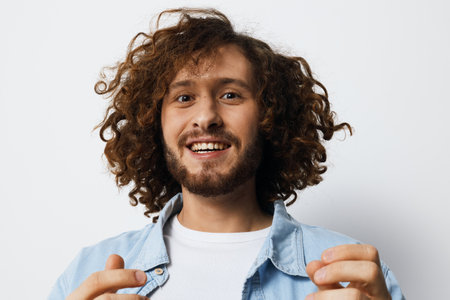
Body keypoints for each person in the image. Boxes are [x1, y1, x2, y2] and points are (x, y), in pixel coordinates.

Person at [49, 8, 404, 300]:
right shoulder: (88, 274)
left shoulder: (357, 278)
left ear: (269, 117)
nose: (206, 117)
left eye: (231, 95)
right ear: (153, 124)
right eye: (183, 97)